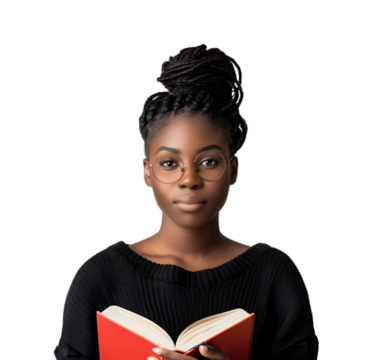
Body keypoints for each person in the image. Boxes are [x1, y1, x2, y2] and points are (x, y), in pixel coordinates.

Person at [53, 43, 318, 360]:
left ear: (233, 170)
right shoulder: (99, 276)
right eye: (169, 163)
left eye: (208, 162)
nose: (188, 179)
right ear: (147, 172)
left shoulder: (274, 275)